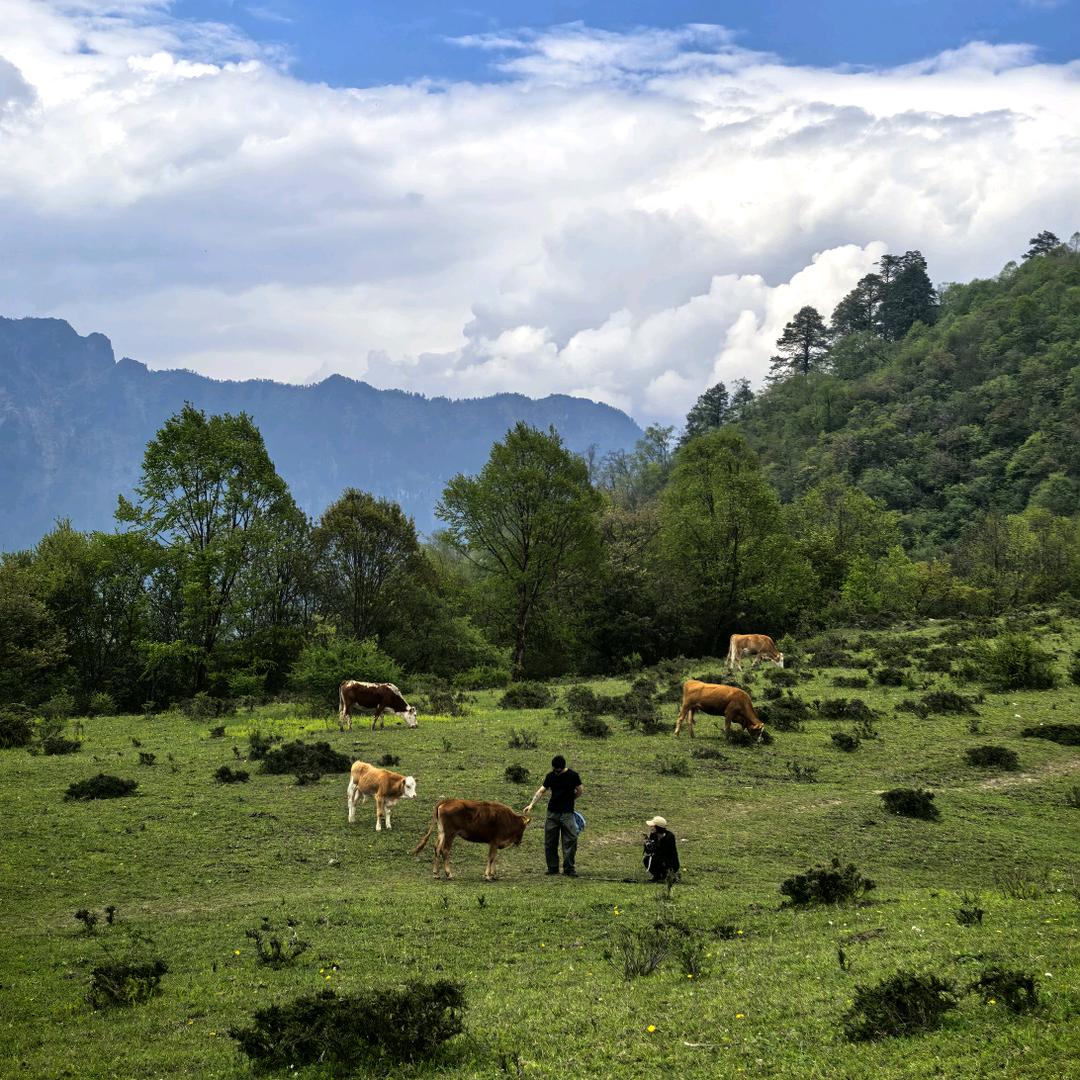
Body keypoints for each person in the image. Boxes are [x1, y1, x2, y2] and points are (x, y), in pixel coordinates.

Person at [524, 754, 583, 877]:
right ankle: (552, 867)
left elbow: (580, 790)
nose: (556, 772)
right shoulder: (550, 776)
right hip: (552, 814)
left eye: (559, 770)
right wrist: (531, 805)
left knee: (571, 840)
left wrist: (571, 799)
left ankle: (569, 868)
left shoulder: (573, 775)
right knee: (550, 841)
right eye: (555, 770)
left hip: (567, 814)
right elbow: (541, 791)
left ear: (564, 767)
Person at [642, 815, 680, 882]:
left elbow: (665, 852)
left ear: (658, 827)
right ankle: (657, 876)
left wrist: (653, 846)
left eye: (653, 826)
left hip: (669, 861)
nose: (651, 827)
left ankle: (670, 875)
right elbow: (649, 852)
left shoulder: (669, 836)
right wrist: (647, 845)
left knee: (661, 861)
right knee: (646, 859)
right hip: (659, 858)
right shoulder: (653, 835)